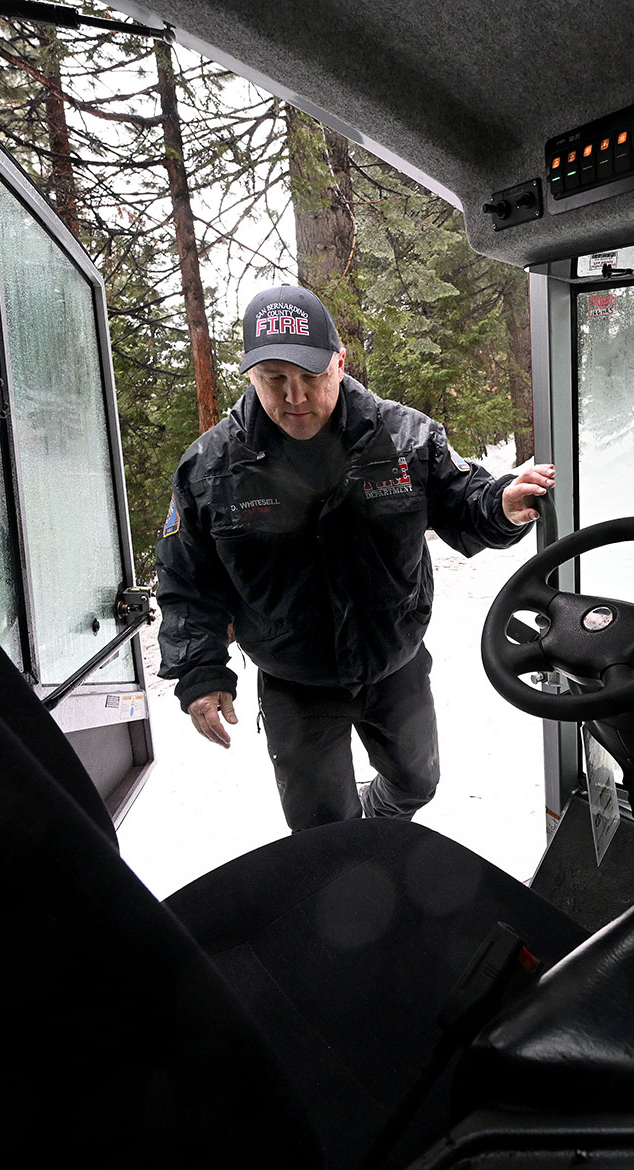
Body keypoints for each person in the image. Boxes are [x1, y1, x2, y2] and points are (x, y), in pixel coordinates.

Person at [155, 285, 553, 830]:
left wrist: (502, 507)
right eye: (275, 378)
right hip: (294, 679)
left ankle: (375, 821)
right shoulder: (209, 468)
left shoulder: (406, 438)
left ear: (339, 364)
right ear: (249, 376)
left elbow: (464, 502)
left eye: (310, 376)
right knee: (321, 830)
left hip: (394, 659)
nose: (294, 396)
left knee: (418, 783)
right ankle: (350, 868)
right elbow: (186, 581)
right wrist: (200, 672)